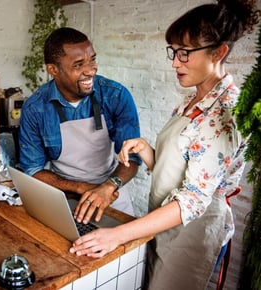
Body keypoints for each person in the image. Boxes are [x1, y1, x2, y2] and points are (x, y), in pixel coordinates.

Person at [69, 1, 260, 289]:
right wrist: (146, 150)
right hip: (165, 221)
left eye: (184, 53)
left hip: (194, 232)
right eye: (174, 51)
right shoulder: (191, 101)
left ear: (218, 52)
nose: (174, 62)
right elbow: (177, 172)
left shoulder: (223, 114)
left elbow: (193, 199)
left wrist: (119, 235)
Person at [19, 27, 142, 222]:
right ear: (53, 70)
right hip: (64, 195)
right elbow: (33, 170)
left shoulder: (115, 95)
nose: (90, 70)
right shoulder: (35, 108)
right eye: (78, 65)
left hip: (112, 194)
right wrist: (79, 187)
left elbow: (133, 158)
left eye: (92, 59)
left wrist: (109, 186)